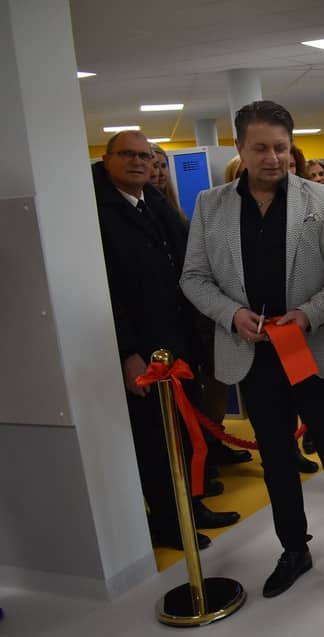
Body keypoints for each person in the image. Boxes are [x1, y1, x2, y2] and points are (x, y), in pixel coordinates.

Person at [180, 100, 324, 598]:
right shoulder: (210, 205)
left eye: (281, 148)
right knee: (276, 458)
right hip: (252, 354)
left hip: (313, 347)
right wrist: (231, 314)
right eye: (260, 148)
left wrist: (309, 313)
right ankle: (294, 548)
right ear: (240, 148)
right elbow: (194, 277)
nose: (273, 158)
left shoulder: (322, 200)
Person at [94, 130, 239, 550]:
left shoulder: (154, 201)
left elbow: (190, 263)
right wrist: (127, 352)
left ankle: (192, 506)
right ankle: (169, 522)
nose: (139, 163)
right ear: (107, 160)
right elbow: (102, 291)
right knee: (157, 443)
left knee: (188, 431)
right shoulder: (95, 213)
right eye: (128, 155)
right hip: (143, 352)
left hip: (181, 342)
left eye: (146, 156)